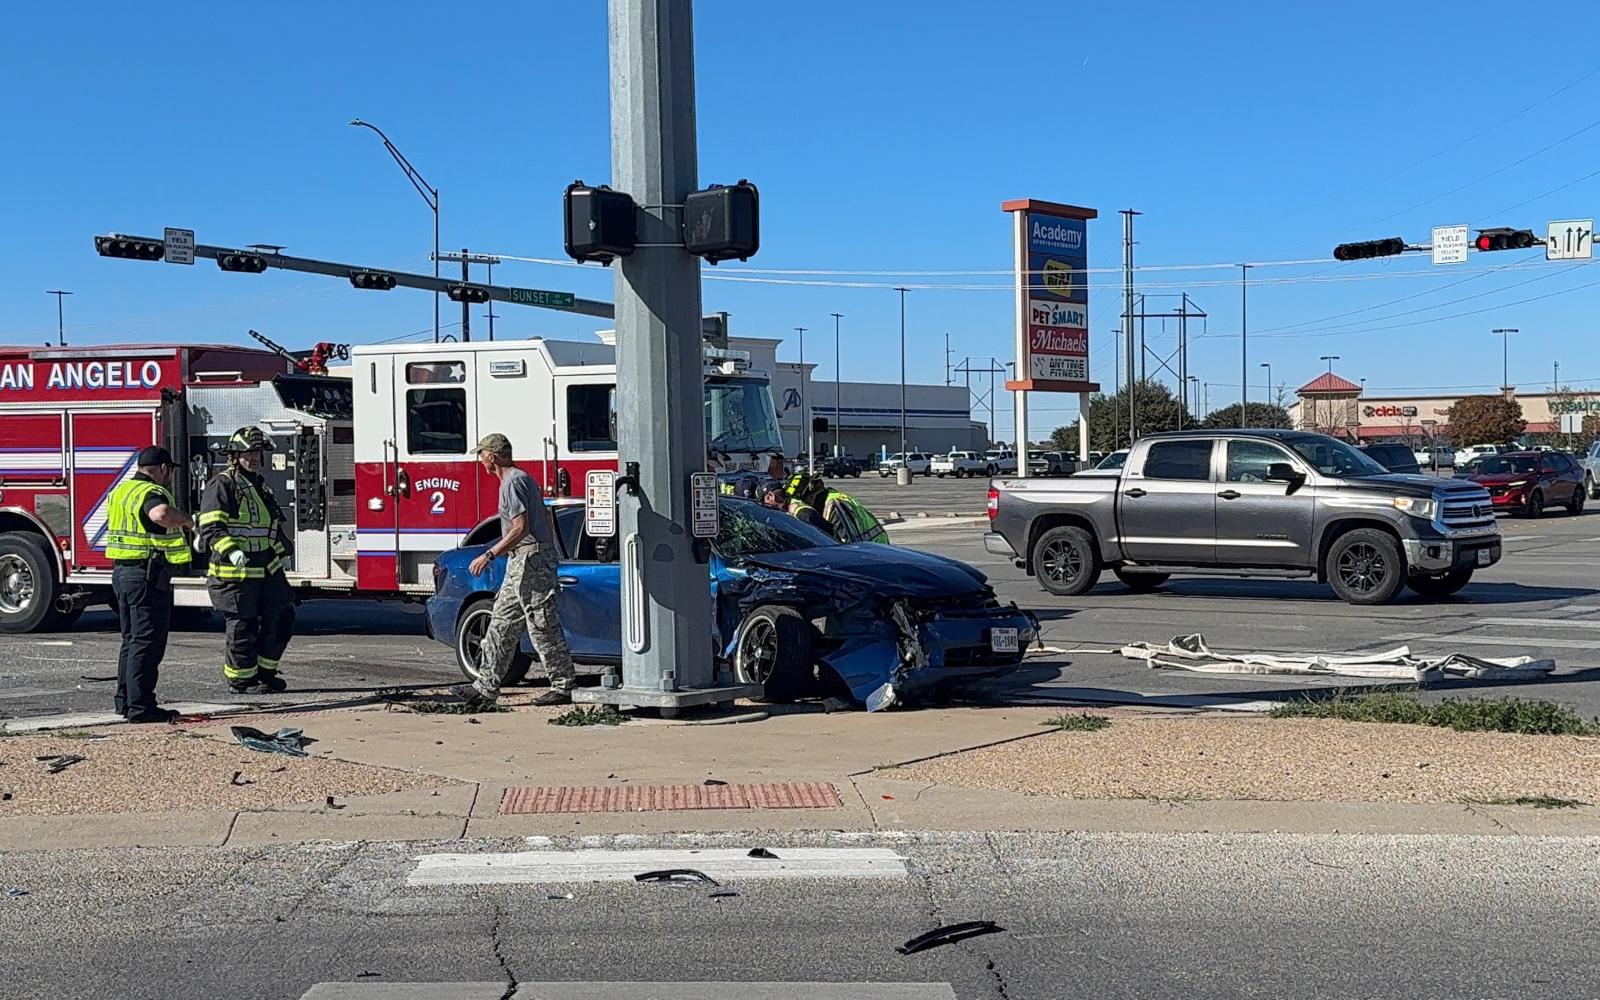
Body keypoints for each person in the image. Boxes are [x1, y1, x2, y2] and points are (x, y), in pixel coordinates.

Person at [452, 433, 576, 708]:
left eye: (481, 455)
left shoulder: (513, 483)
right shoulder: (519, 480)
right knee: (502, 623)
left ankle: (563, 685)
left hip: (530, 561)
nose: (480, 460)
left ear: (491, 457)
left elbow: (521, 527)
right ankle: (485, 688)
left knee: (542, 625)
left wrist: (489, 554)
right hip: (523, 560)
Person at [198, 427, 294, 694]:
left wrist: (280, 553)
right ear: (235, 455)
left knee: (283, 616)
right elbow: (211, 527)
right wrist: (232, 551)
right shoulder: (223, 484)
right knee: (243, 626)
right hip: (235, 573)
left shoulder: (258, 484)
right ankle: (241, 680)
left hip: (265, 568)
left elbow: (268, 526)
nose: (253, 457)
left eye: (256, 452)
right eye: (247, 452)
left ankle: (265, 672)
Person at [105, 446, 194, 723]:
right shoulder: (150, 492)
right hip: (146, 575)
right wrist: (189, 521)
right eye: (169, 472)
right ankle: (142, 707)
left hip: (123, 572)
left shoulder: (121, 490)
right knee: (147, 642)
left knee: (131, 640)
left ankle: (125, 702)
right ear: (164, 469)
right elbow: (160, 514)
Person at [764, 475, 829, 535]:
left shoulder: (803, 515)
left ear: (771, 496)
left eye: (763, 501)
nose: (764, 506)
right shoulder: (789, 509)